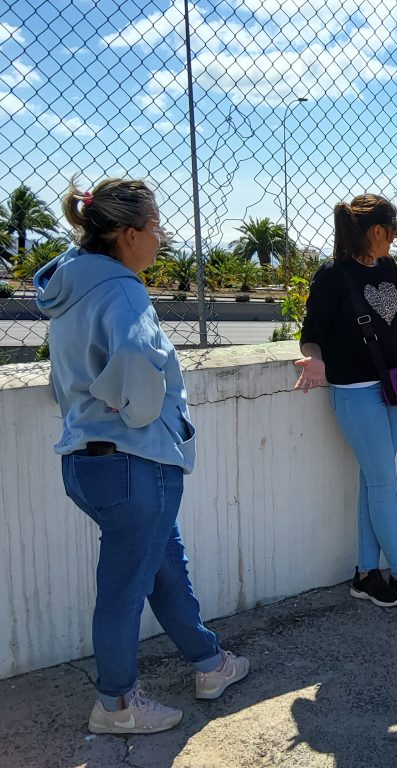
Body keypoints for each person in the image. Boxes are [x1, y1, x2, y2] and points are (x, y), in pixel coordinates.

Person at [34, 179, 249, 735]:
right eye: (156, 227)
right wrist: (138, 408)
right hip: (133, 461)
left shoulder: (72, 287)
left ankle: (209, 663)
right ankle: (116, 705)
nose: (161, 237)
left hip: (86, 461)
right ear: (128, 235)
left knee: (162, 566)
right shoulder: (124, 289)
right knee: (126, 586)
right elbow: (133, 355)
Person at [293, 194, 397, 609]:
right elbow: (312, 332)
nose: (395, 239)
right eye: (392, 231)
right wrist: (314, 360)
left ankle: (364, 574)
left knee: (374, 482)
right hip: (355, 393)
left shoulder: (388, 268)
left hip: (394, 387)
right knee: (383, 482)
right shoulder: (332, 276)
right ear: (377, 231)